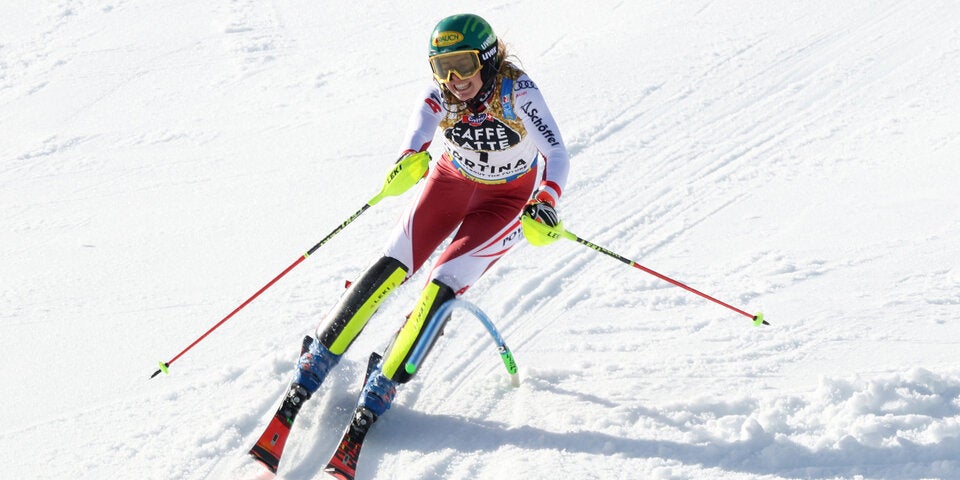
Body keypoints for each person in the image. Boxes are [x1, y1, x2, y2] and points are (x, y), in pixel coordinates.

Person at [289, 13, 570, 431]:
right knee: (393, 264)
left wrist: (545, 200)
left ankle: (388, 378)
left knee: (444, 282)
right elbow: (418, 132)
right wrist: (409, 159)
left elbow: (557, 153)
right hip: (450, 184)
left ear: (488, 59)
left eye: (464, 64)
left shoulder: (518, 93)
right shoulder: (439, 96)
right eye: (442, 66)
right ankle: (322, 351)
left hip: (506, 200)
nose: (454, 77)